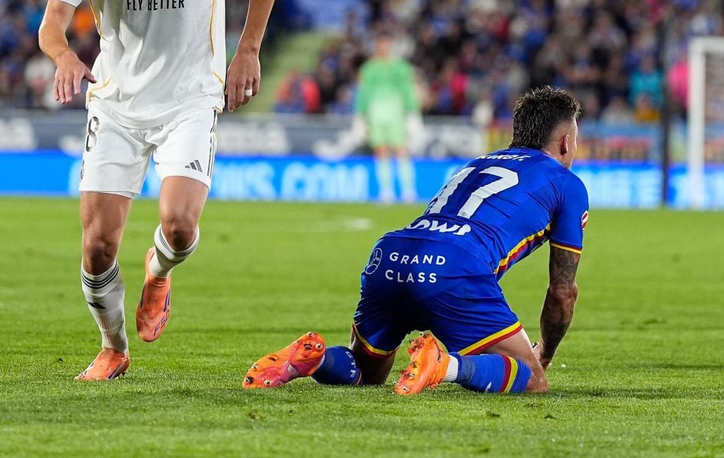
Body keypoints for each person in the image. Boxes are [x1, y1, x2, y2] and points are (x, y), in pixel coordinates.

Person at [38, 0, 285, 381]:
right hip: (118, 102)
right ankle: (113, 346)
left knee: (178, 226)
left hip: (190, 99)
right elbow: (52, 25)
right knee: (98, 246)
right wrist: (66, 57)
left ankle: (159, 271)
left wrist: (247, 49)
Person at [244, 86, 586, 396]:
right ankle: (444, 364)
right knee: (531, 377)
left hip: (392, 254)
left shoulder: (476, 163)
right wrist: (545, 353)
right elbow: (562, 291)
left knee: (366, 370)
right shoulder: (566, 183)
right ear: (566, 141)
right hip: (454, 266)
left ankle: (312, 361)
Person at [356, 32, 421, 203]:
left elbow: (408, 90)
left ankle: (408, 190)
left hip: (395, 111)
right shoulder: (369, 68)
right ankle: (386, 191)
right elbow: (363, 93)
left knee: (400, 150)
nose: (383, 48)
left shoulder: (400, 67)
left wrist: (413, 113)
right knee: (381, 150)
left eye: (386, 44)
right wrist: (360, 117)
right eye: (380, 45)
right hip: (375, 112)